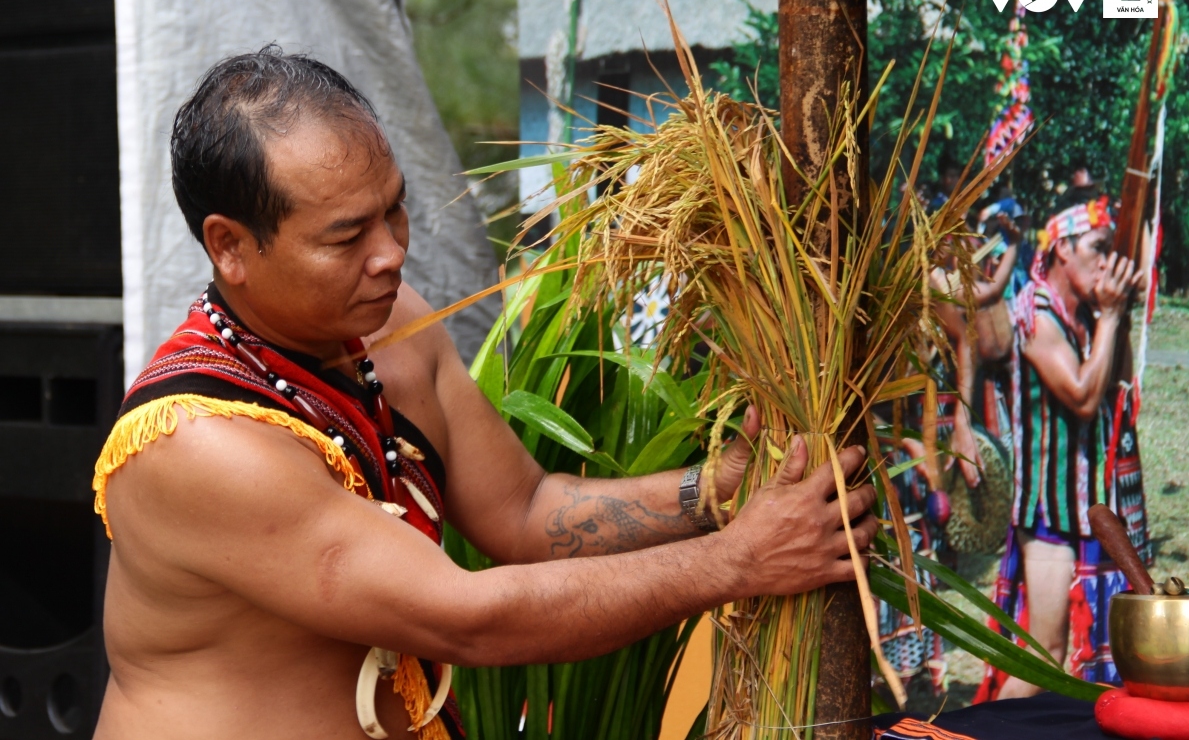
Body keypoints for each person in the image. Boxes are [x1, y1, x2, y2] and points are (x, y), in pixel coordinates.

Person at [91, 48, 878, 740]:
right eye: (346, 235)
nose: (392, 253)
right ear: (230, 245)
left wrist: (711, 493)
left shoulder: (394, 329)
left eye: (395, 209)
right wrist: (739, 561)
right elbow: (466, 617)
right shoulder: (194, 441)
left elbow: (527, 513)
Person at [975, 192, 1146, 701]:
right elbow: (1083, 398)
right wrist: (1112, 317)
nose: (1107, 259)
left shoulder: (1082, 312)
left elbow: (1117, 384)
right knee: (1044, 656)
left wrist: (1121, 313)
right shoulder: (1038, 312)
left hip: (1086, 510)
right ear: (1064, 248)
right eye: (1099, 246)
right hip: (1048, 518)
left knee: (1100, 656)